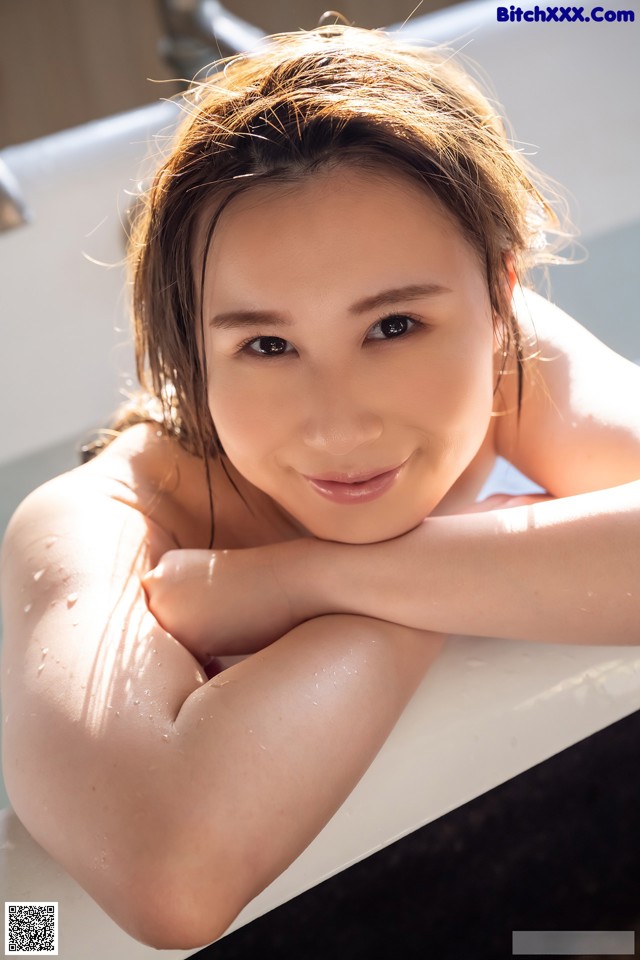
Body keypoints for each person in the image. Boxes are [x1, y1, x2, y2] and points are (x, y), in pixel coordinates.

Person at [1, 21, 639, 951]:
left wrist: (308, 580)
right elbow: (172, 876)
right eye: (266, 345)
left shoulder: (505, 354)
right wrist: (455, 539)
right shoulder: (103, 520)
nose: (339, 425)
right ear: (186, 352)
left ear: (501, 295)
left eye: (392, 328)